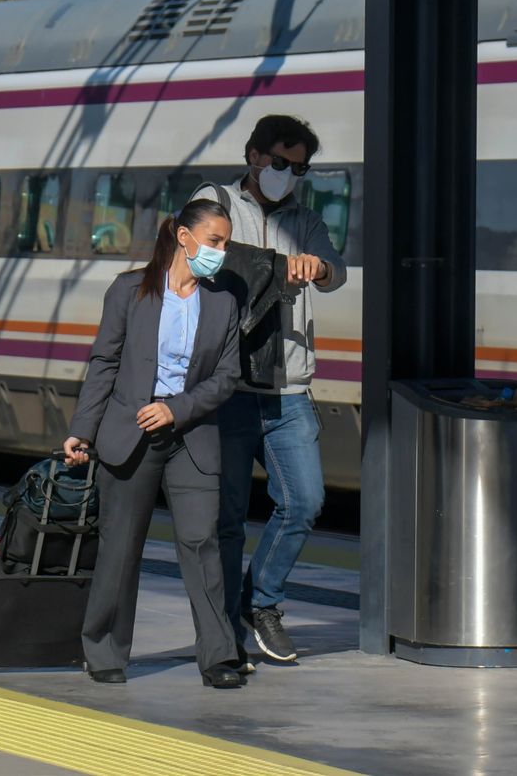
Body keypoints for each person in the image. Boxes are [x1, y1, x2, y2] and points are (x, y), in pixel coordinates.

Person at [62, 199, 242, 689]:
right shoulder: (130, 290)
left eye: (225, 244)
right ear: (184, 237)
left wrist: (176, 408)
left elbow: (227, 377)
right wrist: (83, 428)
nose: (221, 253)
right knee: (120, 546)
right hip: (130, 433)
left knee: (201, 542)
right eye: (214, 241)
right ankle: (103, 650)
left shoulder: (222, 303)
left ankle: (219, 654)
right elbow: (104, 362)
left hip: (192, 437)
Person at [194, 115, 347, 666]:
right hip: (229, 385)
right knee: (228, 514)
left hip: (289, 388)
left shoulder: (305, 219)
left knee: (304, 501)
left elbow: (336, 271)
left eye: (299, 166)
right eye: (280, 162)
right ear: (254, 155)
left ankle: (262, 602)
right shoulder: (215, 201)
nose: (288, 174)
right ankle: (228, 622)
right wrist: (279, 265)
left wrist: (321, 268)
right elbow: (200, 258)